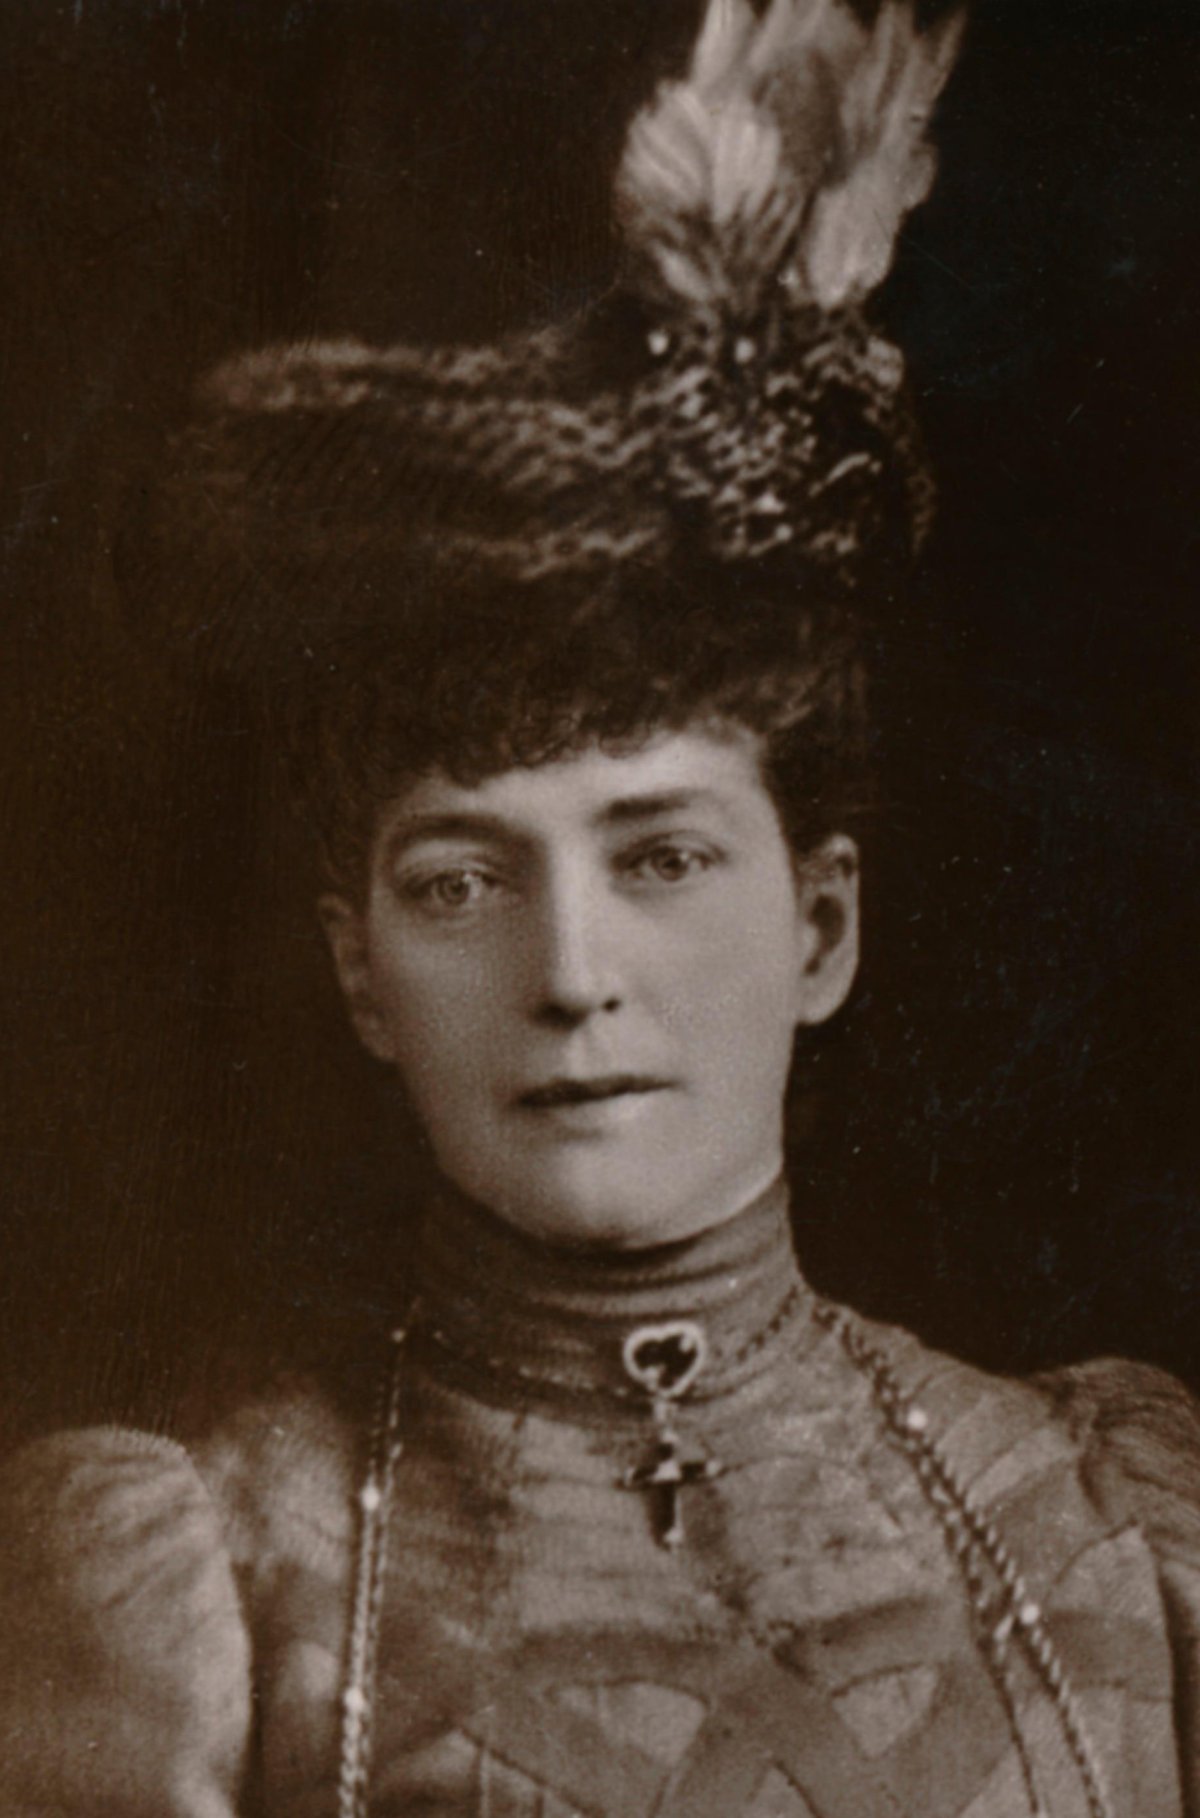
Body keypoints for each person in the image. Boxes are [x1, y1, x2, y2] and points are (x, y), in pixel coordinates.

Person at [1, 1, 1199, 1814]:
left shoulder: (1116, 1520)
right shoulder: (218, 1573)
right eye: (462, 879)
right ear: (359, 970)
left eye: (663, 859)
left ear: (822, 929)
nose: (572, 976)